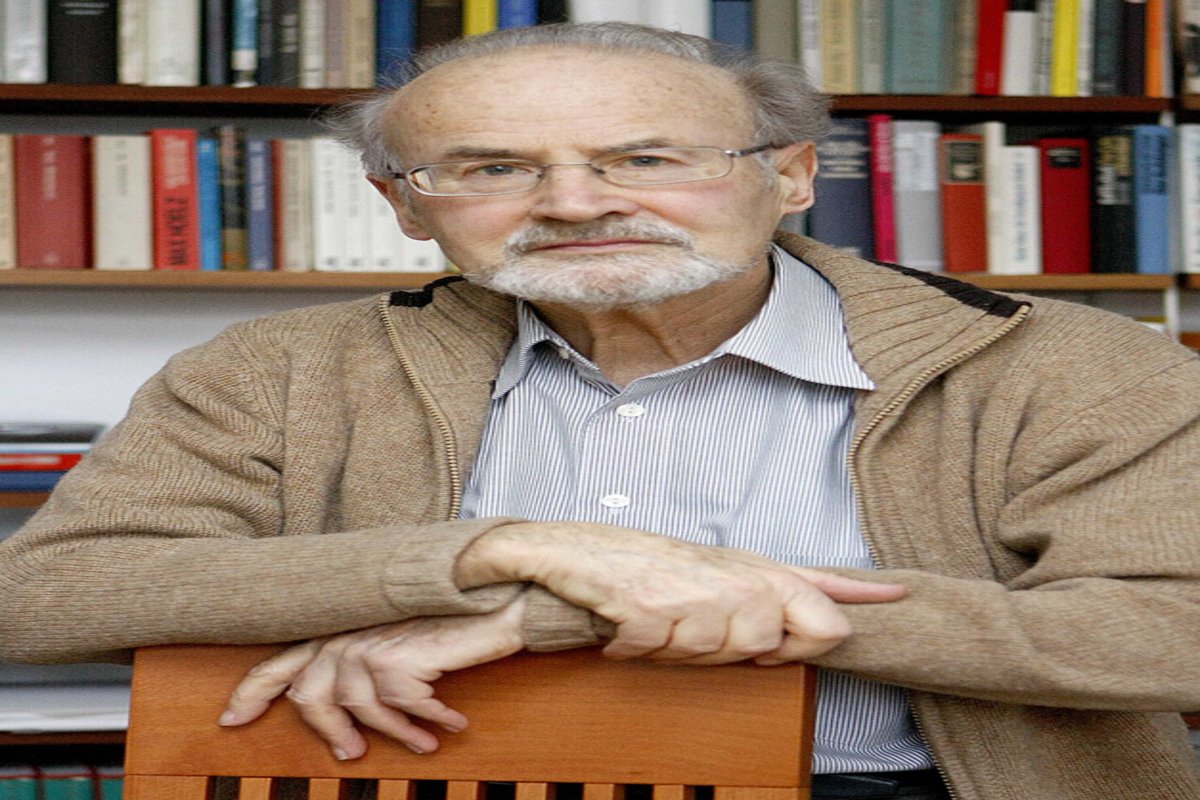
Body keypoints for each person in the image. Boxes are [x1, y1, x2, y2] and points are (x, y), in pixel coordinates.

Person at [2, 21, 1199, 800]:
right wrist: (502, 548)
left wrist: (554, 614)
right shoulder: (276, 367)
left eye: (645, 158)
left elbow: (1167, 631)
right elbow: (46, 595)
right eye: (492, 168)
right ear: (406, 205)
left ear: (787, 175)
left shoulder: (1072, 365)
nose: (575, 203)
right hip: (423, 780)